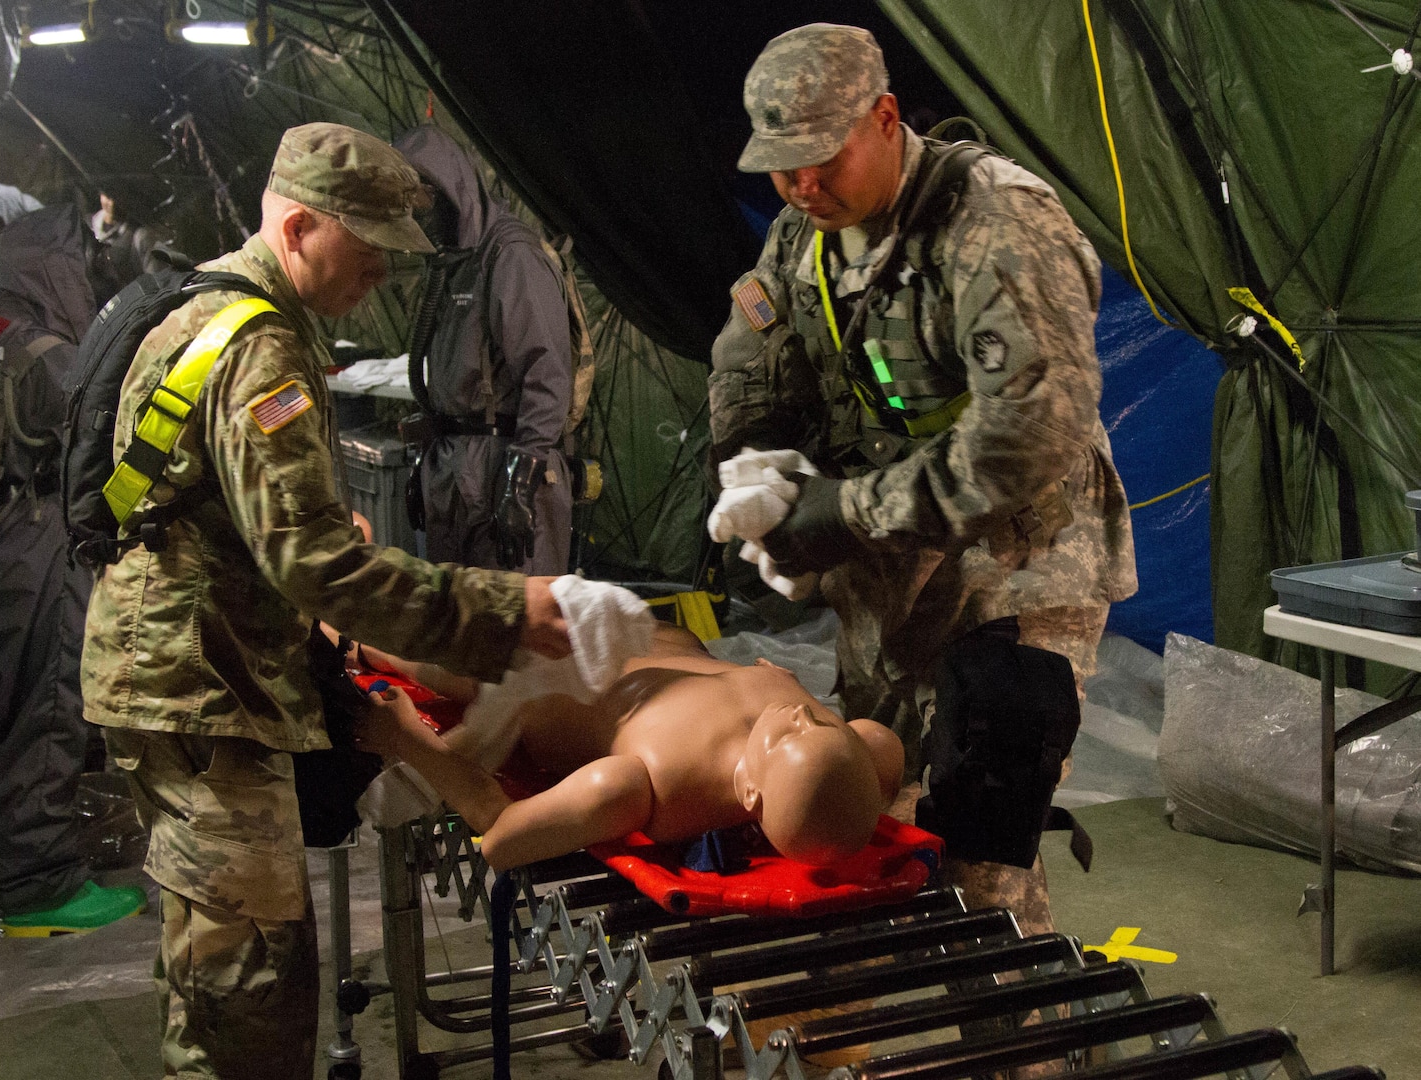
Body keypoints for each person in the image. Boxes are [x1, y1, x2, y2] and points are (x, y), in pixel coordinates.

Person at [80, 122, 572, 1080]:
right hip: (200, 687)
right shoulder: (257, 350)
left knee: (218, 970)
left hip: (184, 669)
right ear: (301, 227)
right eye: (371, 250)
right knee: (250, 999)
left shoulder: (218, 309)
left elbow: (244, 515)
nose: (383, 277)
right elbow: (315, 569)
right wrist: (499, 612)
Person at [708, 24, 1136, 936]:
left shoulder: (996, 222)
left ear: (887, 118)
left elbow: (1032, 431)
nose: (801, 185)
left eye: (820, 158)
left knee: (979, 829)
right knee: (883, 820)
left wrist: (846, 511)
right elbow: (752, 361)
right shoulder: (802, 238)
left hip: (1022, 562)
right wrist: (757, 470)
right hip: (895, 572)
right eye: (781, 167)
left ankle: (1025, 1048)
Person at [0, 204, 145, 934]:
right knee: (44, 713)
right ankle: (41, 886)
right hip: (30, 554)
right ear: (58, 270)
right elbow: (104, 462)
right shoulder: (50, 357)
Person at [355, 624, 904, 871]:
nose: (802, 713)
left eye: (789, 735)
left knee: (431, 646)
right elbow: (873, 753)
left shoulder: (639, 786)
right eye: (821, 723)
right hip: (662, 644)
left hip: (536, 679)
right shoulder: (866, 750)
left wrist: (410, 739)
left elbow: (500, 834)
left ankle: (342, 632)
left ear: (751, 793)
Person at [392, 125, 574, 573]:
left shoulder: (510, 256)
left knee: (520, 623)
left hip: (503, 465)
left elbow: (547, 372)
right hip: (456, 467)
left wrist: (521, 482)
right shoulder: (452, 263)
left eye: (421, 205)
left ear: (450, 190)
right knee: (458, 622)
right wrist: (425, 461)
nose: (418, 221)